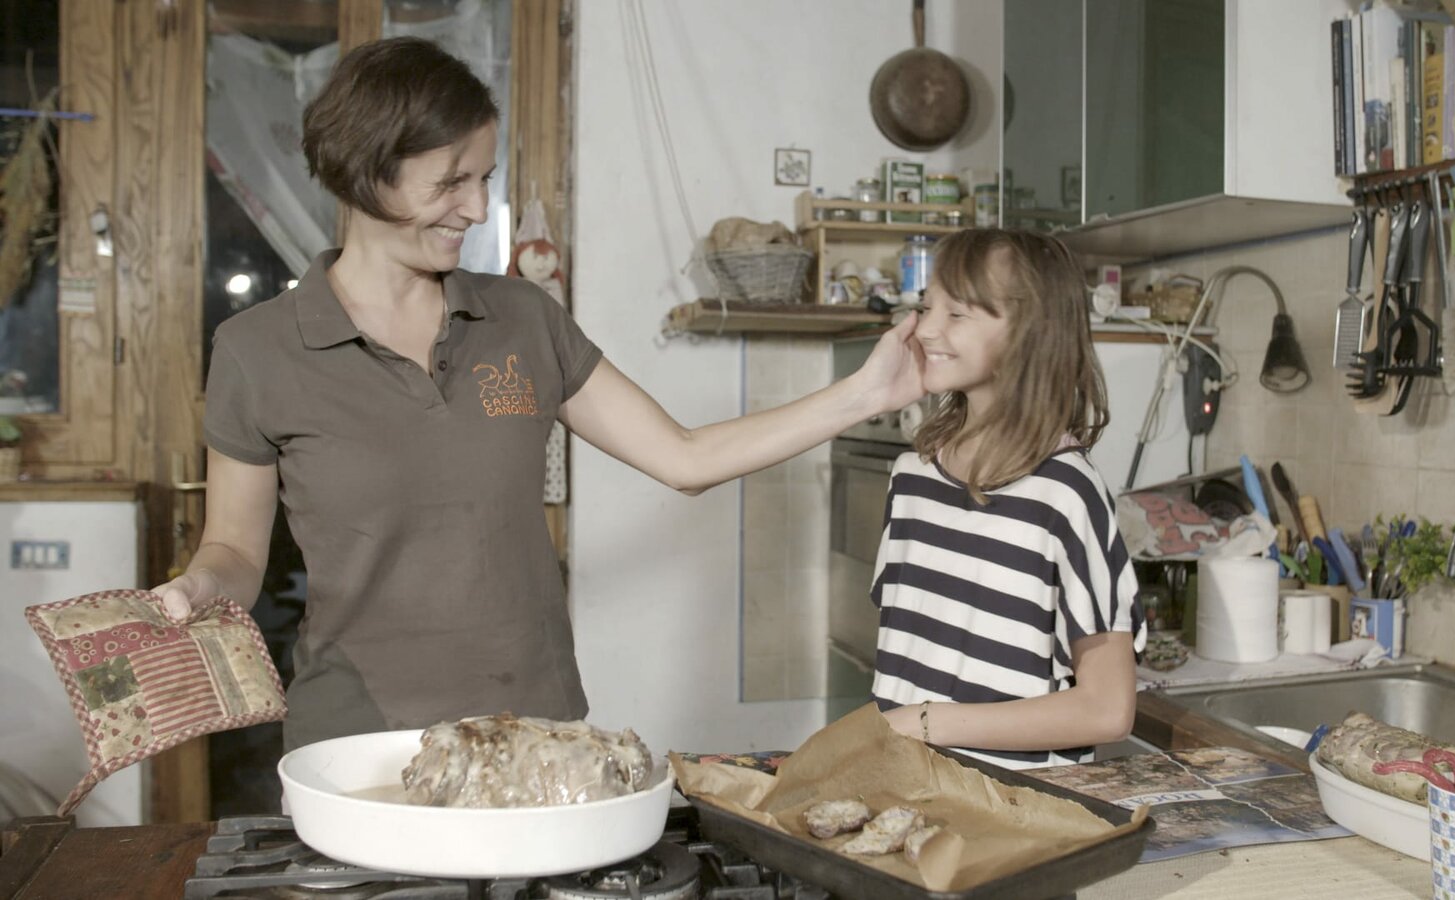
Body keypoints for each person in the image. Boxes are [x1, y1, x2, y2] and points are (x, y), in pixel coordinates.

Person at [152, 36, 924, 752]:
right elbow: (236, 552)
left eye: (483, 179)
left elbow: (684, 458)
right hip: (359, 739)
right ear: (364, 171)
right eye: (450, 182)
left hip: (532, 726)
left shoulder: (523, 318)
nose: (475, 208)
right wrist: (202, 584)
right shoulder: (258, 350)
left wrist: (864, 393)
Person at [871, 228, 1145, 770]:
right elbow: (906, 661)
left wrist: (926, 723)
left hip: (1015, 804)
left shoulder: (1065, 493)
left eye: (957, 313)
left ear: (1028, 333)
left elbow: (1108, 709)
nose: (925, 328)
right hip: (906, 785)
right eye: (926, 307)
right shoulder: (911, 477)